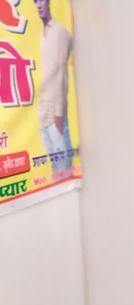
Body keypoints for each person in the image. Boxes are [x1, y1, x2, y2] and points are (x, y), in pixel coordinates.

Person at [33, 0, 73, 175]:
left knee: (64, 170)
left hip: (55, 113)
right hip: (43, 110)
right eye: (35, 1)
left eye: (41, 0)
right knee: (55, 170)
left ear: (48, 2)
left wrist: (59, 113)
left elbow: (61, 73)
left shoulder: (59, 31)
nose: (38, 5)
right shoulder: (43, 32)